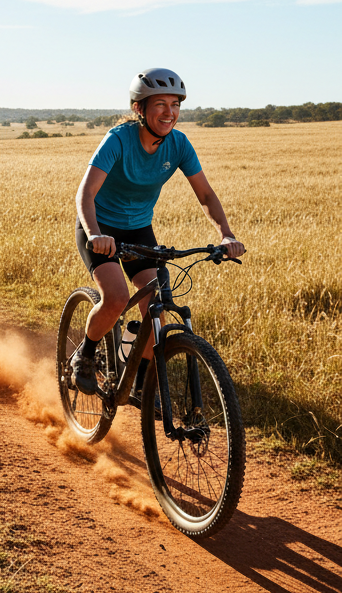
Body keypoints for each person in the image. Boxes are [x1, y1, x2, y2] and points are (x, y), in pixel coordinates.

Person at [71, 68, 245, 398]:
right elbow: (85, 194)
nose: (169, 112)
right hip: (99, 225)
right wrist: (95, 234)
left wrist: (226, 234)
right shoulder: (118, 139)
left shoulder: (178, 145)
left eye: (175, 104)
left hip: (138, 229)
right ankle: (87, 354)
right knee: (117, 297)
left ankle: (140, 387)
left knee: (156, 308)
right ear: (140, 108)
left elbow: (206, 195)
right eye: (160, 104)